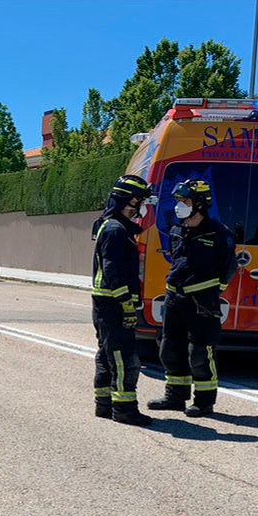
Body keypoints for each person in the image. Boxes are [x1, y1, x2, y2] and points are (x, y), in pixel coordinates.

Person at [147, 179, 236, 417]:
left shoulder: (218, 233)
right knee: (170, 349)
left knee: (200, 353)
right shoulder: (177, 230)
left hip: (202, 303)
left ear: (199, 203)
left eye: (184, 201)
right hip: (175, 300)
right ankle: (175, 396)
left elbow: (229, 268)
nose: (179, 206)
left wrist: (211, 292)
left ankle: (204, 402)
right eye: (178, 201)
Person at [92, 174, 154, 426]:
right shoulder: (116, 230)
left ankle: (104, 405)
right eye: (139, 201)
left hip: (106, 304)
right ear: (128, 202)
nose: (142, 206)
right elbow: (113, 272)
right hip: (113, 304)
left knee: (107, 355)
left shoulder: (113, 226)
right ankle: (125, 410)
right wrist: (127, 305)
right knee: (124, 358)